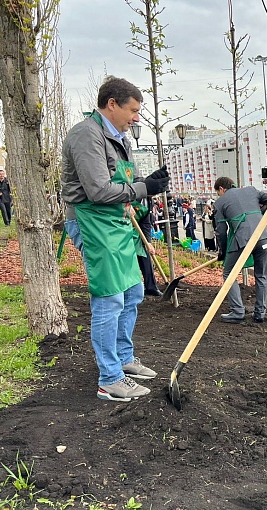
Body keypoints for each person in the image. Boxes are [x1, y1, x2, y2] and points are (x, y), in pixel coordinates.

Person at [61, 75, 169, 401]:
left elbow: (124, 181)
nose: (136, 118)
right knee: (110, 299)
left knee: (133, 292)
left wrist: (143, 187)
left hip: (116, 223)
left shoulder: (119, 137)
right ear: (112, 104)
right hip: (92, 223)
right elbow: (97, 190)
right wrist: (143, 188)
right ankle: (109, 378)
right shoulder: (86, 135)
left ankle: (124, 358)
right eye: (133, 110)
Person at [213, 176, 267, 323]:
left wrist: (224, 251)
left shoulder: (220, 202)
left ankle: (237, 311)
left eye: (218, 192)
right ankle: (260, 313)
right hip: (264, 236)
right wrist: (259, 216)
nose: (219, 195)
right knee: (262, 275)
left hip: (243, 239)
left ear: (221, 189)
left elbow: (220, 231)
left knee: (229, 273)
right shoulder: (251, 190)